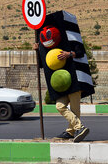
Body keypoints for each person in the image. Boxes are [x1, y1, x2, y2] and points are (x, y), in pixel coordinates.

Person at [34, 10, 94, 143]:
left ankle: (72, 131)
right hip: (61, 83)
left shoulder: (71, 40)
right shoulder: (48, 48)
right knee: (59, 106)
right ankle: (79, 128)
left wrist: (69, 54)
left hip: (74, 79)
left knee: (74, 109)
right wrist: (38, 51)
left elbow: (80, 52)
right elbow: (43, 65)